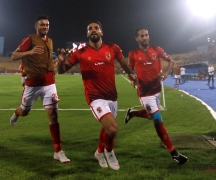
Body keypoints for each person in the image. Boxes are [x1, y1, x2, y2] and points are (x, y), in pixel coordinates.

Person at [57, 20, 135, 171]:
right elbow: (61, 70)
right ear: (87, 33)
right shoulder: (80, 53)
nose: (93, 30)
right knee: (112, 129)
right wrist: (61, 61)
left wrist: (132, 75)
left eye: (96, 28)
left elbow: (123, 63)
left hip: (112, 96)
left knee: (107, 128)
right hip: (95, 97)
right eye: (90, 29)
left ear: (101, 32)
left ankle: (99, 152)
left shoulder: (113, 48)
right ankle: (109, 152)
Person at [10, 14, 70, 163]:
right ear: (36, 26)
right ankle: (16, 113)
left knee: (53, 116)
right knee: (24, 112)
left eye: (47, 25)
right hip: (32, 84)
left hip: (49, 82)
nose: (45, 27)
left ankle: (58, 151)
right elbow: (14, 55)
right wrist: (29, 52)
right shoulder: (29, 39)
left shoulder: (50, 41)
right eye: (42, 25)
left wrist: (58, 59)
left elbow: (47, 58)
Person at [124, 28, 188, 165]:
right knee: (157, 118)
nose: (145, 37)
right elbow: (129, 70)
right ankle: (174, 153)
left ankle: (133, 113)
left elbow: (170, 61)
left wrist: (165, 72)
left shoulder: (157, 49)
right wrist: (132, 77)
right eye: (141, 36)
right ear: (137, 38)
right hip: (144, 92)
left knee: (150, 115)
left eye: (146, 35)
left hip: (156, 89)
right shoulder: (133, 53)